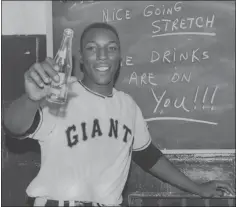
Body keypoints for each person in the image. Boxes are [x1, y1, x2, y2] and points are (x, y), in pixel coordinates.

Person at [3, 22, 234, 207]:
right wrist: (32, 99)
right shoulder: (61, 92)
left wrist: (198, 188)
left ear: (119, 57)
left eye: (111, 48)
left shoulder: (128, 106)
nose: (103, 55)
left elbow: (148, 157)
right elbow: (14, 127)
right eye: (92, 48)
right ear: (81, 58)